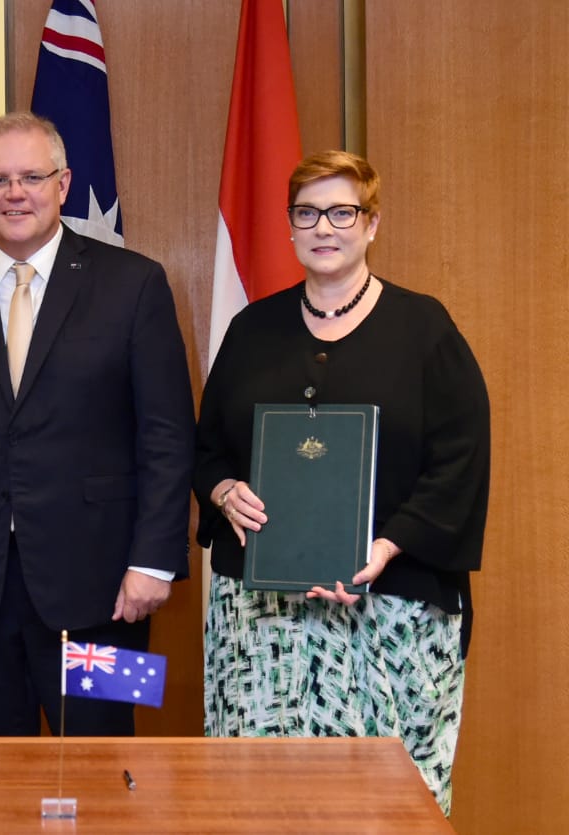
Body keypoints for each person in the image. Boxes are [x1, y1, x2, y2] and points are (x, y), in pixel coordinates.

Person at [195, 150, 489, 815]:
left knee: (384, 809)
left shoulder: (425, 330)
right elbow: (206, 447)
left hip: (393, 611)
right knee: (261, 802)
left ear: (371, 224)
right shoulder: (251, 330)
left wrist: (385, 547)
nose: (323, 227)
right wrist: (219, 491)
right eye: (307, 213)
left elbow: (460, 461)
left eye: (341, 211)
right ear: (290, 227)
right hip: (262, 622)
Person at [0, 112, 195, 736]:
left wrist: (154, 562)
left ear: (63, 183)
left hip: (108, 591)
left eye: (32, 176)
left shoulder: (134, 284)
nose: (15, 192)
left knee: (106, 756)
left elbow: (166, 434)